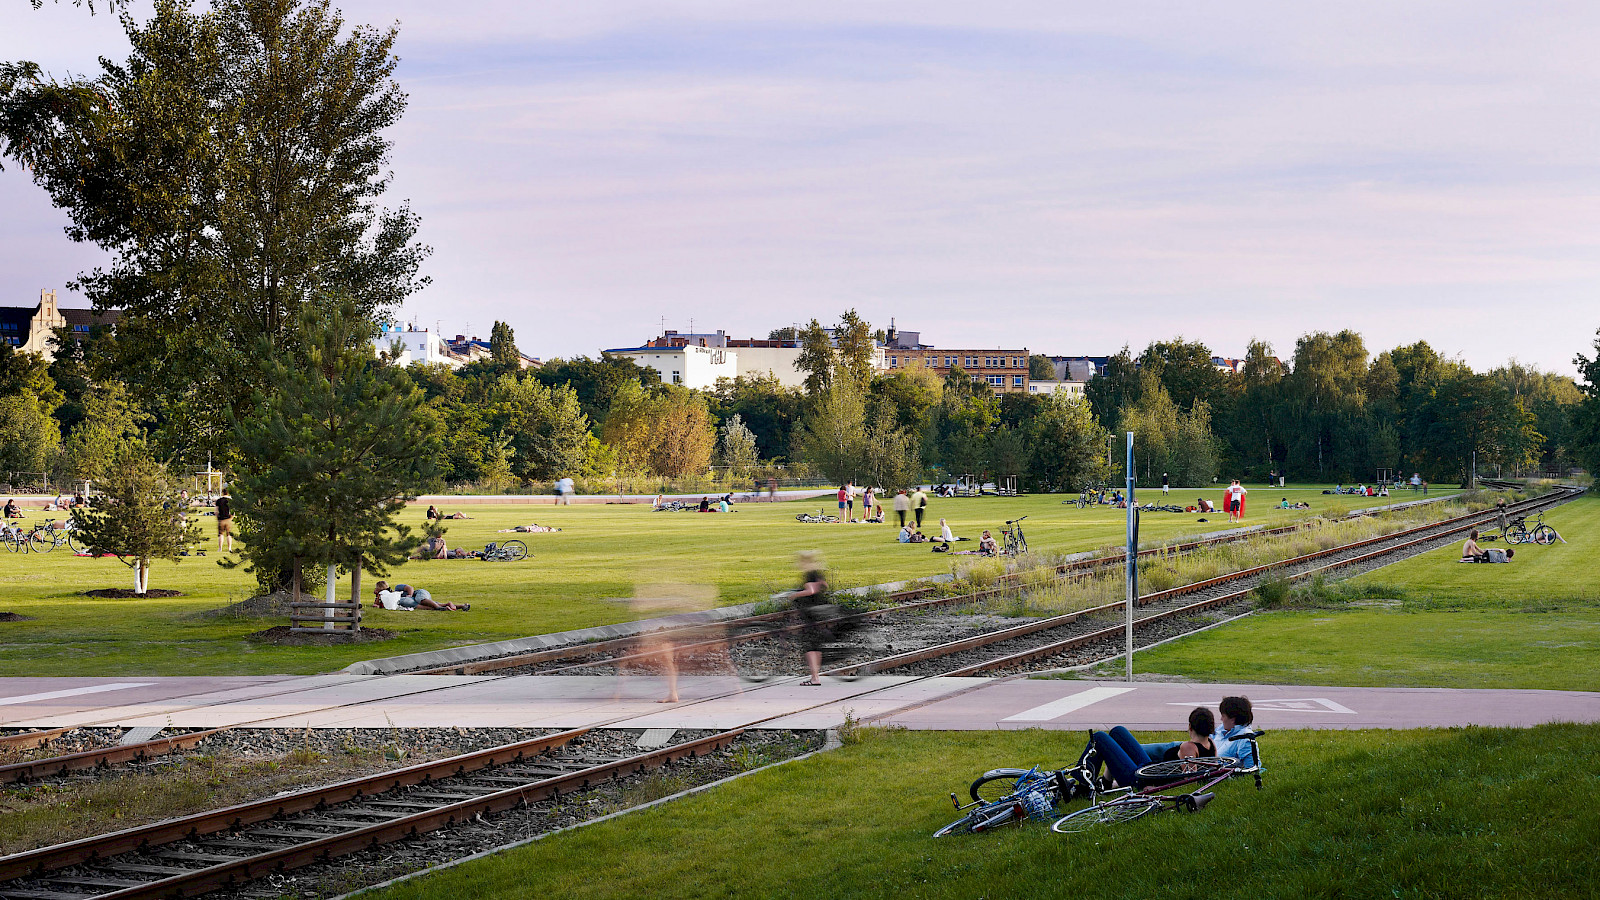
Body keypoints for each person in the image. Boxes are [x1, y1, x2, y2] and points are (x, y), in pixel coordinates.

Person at [790, 552, 832, 685]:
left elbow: (811, 590)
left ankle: (814, 677)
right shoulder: (818, 573)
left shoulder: (809, 574)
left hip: (810, 613)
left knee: (809, 646)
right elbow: (824, 585)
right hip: (819, 613)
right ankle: (816, 676)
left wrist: (795, 595)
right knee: (816, 645)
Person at [372, 580, 468, 610]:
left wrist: (409, 595)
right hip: (413, 599)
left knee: (420, 600)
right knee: (426, 605)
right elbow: (376, 604)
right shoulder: (389, 596)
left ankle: (440, 608)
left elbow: (410, 588)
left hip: (419, 593)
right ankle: (460, 606)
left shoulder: (397, 588)